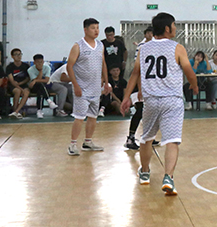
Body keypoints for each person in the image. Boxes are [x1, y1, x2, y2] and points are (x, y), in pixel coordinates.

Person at [121, 12, 198, 196]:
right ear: (167, 28)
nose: (175, 28)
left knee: (146, 138)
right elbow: (189, 72)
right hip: (172, 100)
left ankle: (145, 173)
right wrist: (194, 86)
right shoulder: (177, 48)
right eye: (174, 25)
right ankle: (168, 178)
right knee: (172, 141)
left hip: (151, 101)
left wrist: (126, 97)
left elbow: (135, 73)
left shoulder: (143, 48)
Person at [66, 18, 111, 156]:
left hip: (96, 88)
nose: (96, 31)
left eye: (97, 28)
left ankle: (88, 142)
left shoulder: (100, 45)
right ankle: (73, 144)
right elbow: (69, 66)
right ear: (85, 29)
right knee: (80, 117)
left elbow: (103, 63)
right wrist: (75, 85)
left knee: (93, 116)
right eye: (93, 28)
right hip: (82, 88)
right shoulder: (78, 46)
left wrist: (106, 82)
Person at [27, 54, 57, 119]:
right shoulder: (30, 70)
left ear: (43, 62)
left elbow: (46, 80)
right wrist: (40, 72)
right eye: (38, 62)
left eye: (41, 62)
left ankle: (39, 111)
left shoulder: (47, 68)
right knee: (39, 85)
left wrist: (35, 80)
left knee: (40, 91)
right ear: (34, 63)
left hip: (45, 87)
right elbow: (34, 82)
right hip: (34, 87)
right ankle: (49, 101)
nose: (40, 64)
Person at [6, 48, 31, 119]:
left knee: (26, 92)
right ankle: (14, 109)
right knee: (18, 91)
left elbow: (28, 78)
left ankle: (16, 111)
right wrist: (19, 87)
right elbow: (11, 80)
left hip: (23, 84)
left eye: (20, 54)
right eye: (16, 55)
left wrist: (20, 83)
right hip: (13, 86)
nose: (18, 56)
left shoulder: (26, 66)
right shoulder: (9, 67)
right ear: (12, 56)